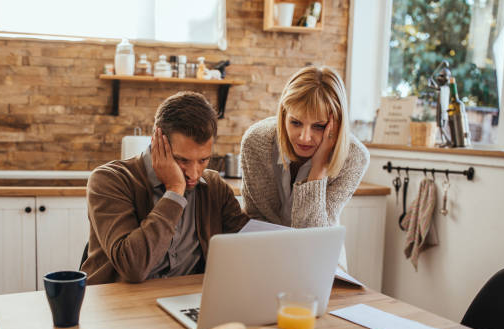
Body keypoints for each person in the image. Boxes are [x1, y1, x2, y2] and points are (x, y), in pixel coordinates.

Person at [82, 91, 249, 285]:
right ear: (156, 143)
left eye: (203, 160)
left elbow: (247, 244)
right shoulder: (109, 180)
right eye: (182, 160)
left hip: (184, 300)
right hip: (118, 305)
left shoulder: (214, 187)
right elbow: (133, 267)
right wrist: (175, 191)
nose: (194, 174)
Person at [240, 66, 370, 272]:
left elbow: (314, 237)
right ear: (283, 115)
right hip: (265, 255)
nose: (304, 137)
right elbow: (255, 218)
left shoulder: (354, 157)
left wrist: (319, 169)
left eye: (318, 126)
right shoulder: (255, 142)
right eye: (296, 122)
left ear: (336, 125)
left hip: (321, 262)